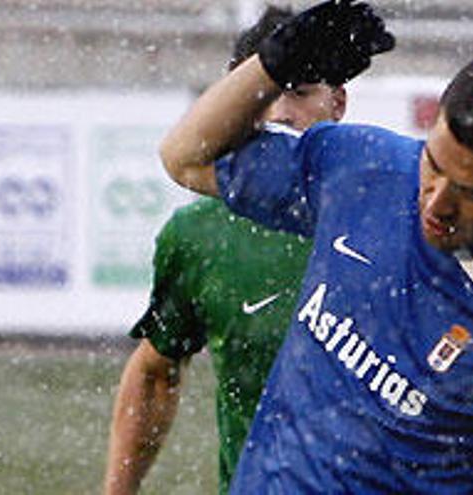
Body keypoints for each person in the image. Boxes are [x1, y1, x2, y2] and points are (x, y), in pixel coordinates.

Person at [159, 0, 473, 493]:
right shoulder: (366, 170)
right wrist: (274, 65)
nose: (436, 203)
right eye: (434, 164)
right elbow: (185, 158)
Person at [103, 7, 348, 495]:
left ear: (337, 103)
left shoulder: (394, 215)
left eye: (300, 94)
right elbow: (155, 372)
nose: (280, 112)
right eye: (262, 94)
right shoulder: (201, 235)